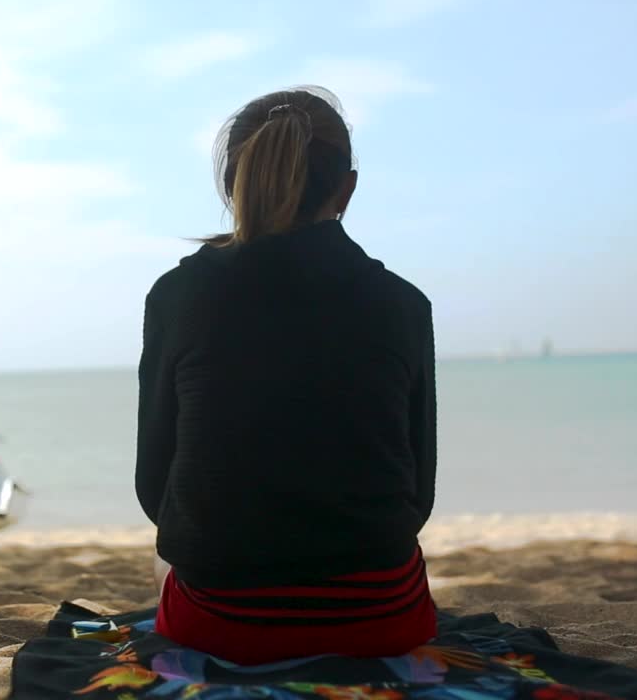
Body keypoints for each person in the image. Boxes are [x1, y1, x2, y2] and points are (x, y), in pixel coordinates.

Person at [136, 86, 437, 664]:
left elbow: (156, 491)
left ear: (232, 184)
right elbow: (416, 497)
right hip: (384, 618)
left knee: (163, 560)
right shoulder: (404, 304)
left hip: (222, 624)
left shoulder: (178, 295)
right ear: (347, 188)